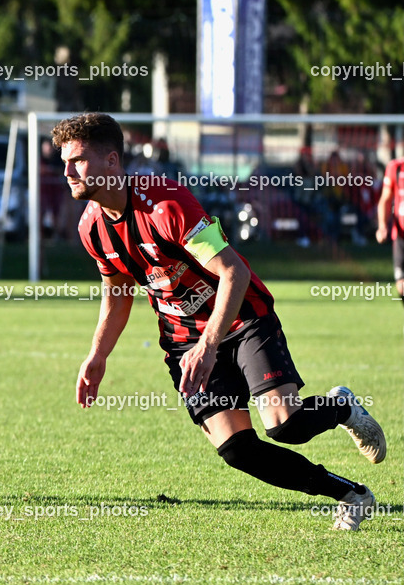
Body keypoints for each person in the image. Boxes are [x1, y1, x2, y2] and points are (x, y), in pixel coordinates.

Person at [56, 112, 385, 531]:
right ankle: (349, 494)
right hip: (182, 339)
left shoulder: (168, 205)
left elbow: (234, 272)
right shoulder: (92, 229)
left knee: (284, 426)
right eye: (64, 161)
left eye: (78, 160)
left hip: (242, 317)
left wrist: (209, 346)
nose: (67, 172)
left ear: (112, 161)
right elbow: (119, 293)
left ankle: (340, 407)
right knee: (237, 450)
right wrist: (97, 355)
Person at [375, 155, 404, 313]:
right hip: (400, 237)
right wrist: (382, 226)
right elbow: (385, 199)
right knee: (401, 286)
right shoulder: (396, 167)